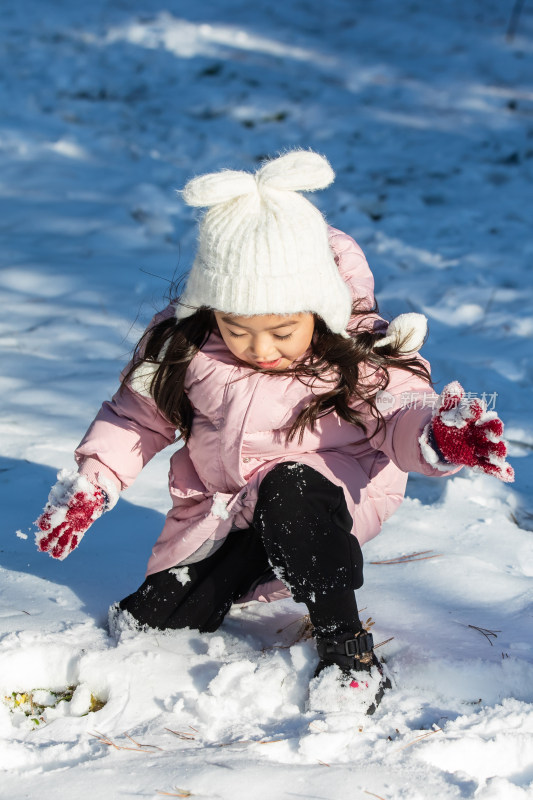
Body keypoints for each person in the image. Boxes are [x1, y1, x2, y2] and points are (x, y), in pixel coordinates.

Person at [34, 150, 514, 715]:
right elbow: (135, 418)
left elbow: (400, 410)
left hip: (326, 502)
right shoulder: (185, 347)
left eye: (283, 331)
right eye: (237, 328)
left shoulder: (358, 353)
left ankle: (346, 648)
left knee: (290, 488)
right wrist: (95, 481)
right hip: (223, 511)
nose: (261, 350)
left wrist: (438, 436)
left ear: (318, 307)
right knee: (151, 621)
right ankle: (245, 564)